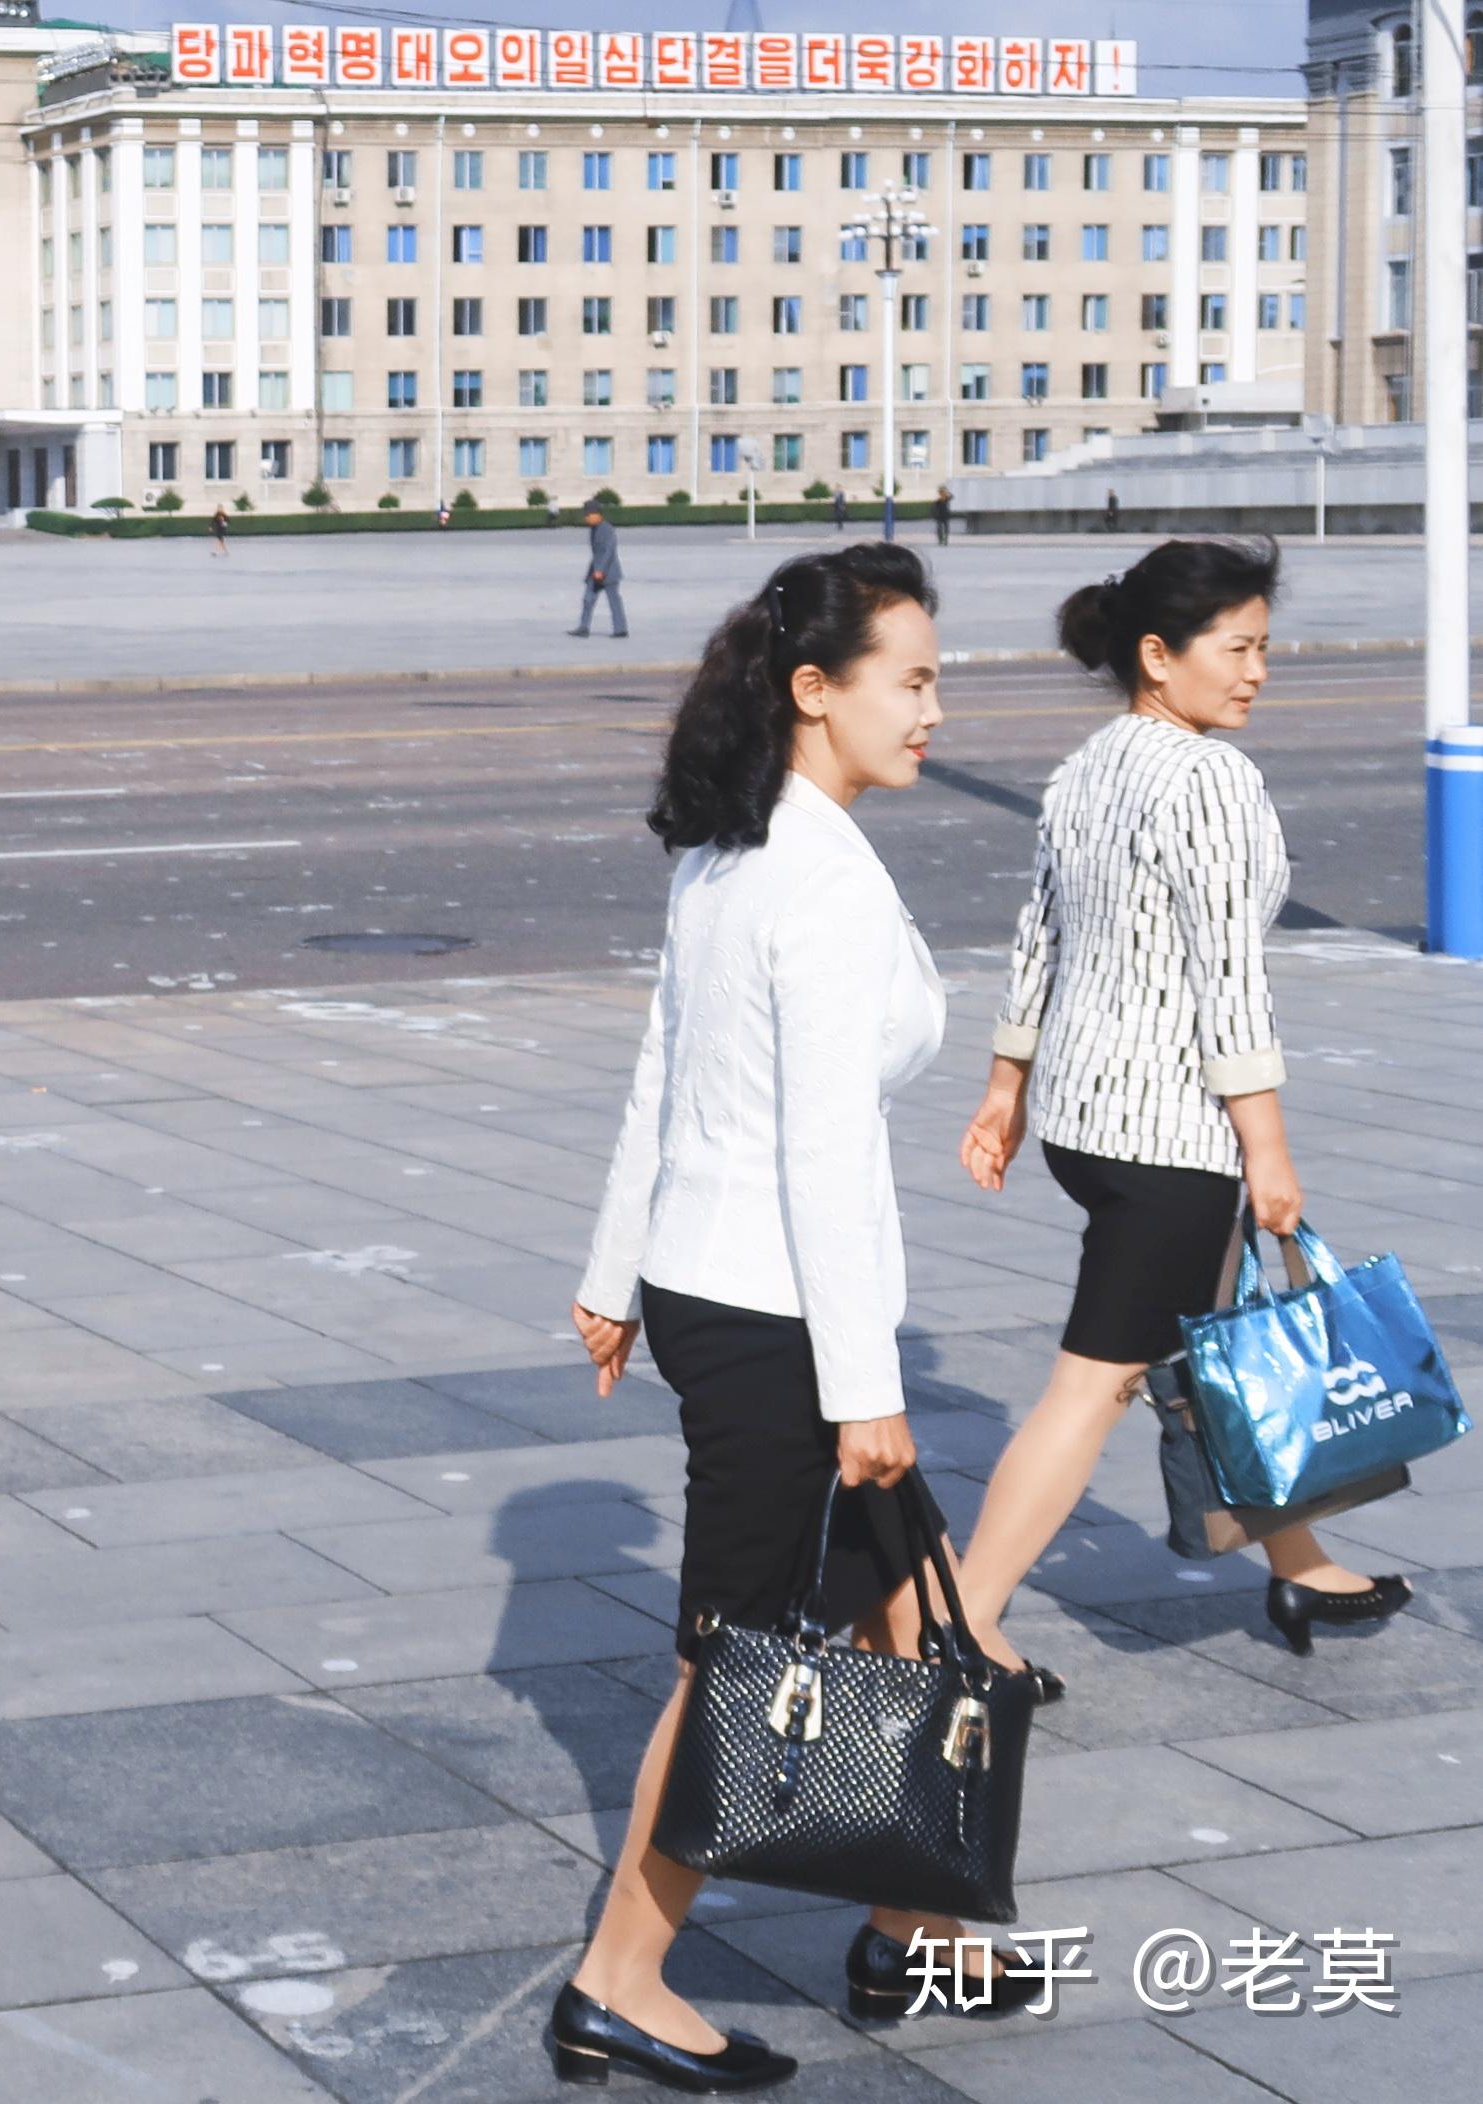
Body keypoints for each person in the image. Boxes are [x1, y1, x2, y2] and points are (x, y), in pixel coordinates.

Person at [553, 543, 1044, 2094]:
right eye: (910, 680)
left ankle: (915, 1924)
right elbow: (820, 1151)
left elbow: (664, 1076)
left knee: (914, 1614)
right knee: (739, 1657)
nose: (933, 709)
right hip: (778, 1317)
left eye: (936, 677)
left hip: (718, 1286)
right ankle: (619, 1977)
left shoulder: (738, 844)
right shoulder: (812, 876)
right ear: (816, 692)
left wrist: (613, 1271)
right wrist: (865, 1387)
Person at [957, 538, 1410, 1665]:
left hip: (1080, 1117)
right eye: (1239, 648)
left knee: (1216, 1349)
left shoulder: (1089, 764)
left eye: (1267, 648)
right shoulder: (1211, 777)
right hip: (1170, 1139)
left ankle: (1301, 1569)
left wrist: (1005, 1087)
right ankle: (963, 1618)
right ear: (1159, 656)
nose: (1258, 671)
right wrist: (1269, 1148)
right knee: (1095, 1384)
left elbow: (1038, 936)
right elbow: (1230, 978)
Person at [569, 504, 626, 638]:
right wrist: (591, 572)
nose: (586, 519)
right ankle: (584, 627)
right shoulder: (594, 529)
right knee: (588, 600)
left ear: (597, 514)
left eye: (588, 516)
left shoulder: (607, 529)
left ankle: (620, 629)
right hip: (595, 573)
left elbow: (608, 551)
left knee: (614, 601)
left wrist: (600, 570)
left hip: (609, 573)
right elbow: (596, 554)